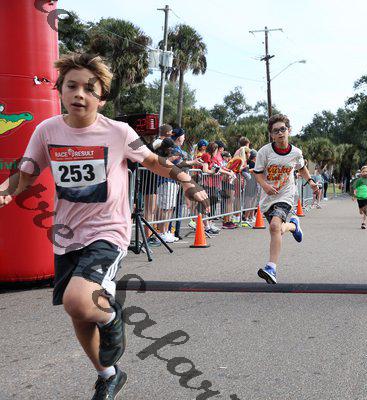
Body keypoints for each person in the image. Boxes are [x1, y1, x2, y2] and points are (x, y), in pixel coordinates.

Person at [0, 53, 208, 400]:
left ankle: (112, 317)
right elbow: (26, 174)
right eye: (71, 86)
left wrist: (187, 181)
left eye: (89, 89)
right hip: (67, 236)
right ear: (60, 90)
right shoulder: (47, 131)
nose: (79, 94)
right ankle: (109, 375)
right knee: (79, 315)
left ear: (102, 98)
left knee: (78, 301)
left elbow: (153, 161)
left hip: (108, 232)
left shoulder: (118, 132)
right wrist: (5, 192)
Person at [253, 114, 319, 284]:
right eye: (276, 131)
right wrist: (265, 186)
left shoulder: (296, 152)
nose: (280, 133)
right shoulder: (264, 152)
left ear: (289, 130)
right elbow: (257, 173)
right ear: (271, 135)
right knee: (279, 229)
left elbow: (302, 168)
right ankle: (294, 225)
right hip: (268, 197)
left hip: (286, 194)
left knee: (275, 226)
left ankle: (271, 268)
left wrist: (311, 182)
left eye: (283, 129)